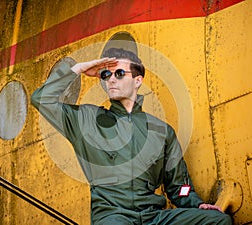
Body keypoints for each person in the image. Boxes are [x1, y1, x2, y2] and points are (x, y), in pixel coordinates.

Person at [31, 48, 232, 225]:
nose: (111, 79)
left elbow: (179, 187)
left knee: (218, 221)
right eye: (107, 74)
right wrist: (80, 69)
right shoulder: (86, 120)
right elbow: (41, 99)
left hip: (153, 217)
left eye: (119, 73)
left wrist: (198, 204)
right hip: (113, 218)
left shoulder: (161, 131)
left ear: (138, 80)